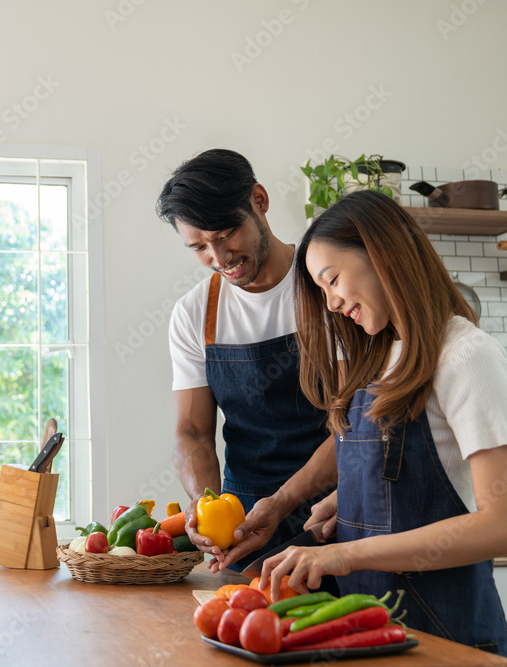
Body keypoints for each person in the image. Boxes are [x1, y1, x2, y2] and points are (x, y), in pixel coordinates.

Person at [260, 189, 507, 659]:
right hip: (371, 633)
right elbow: (410, 475)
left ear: (381, 253)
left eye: (333, 280)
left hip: (445, 638)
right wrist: (348, 503)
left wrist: (345, 553)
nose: (329, 304)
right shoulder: (384, 358)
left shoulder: (466, 355)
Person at [157, 149, 338, 573]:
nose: (219, 259)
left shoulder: (327, 286)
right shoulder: (195, 314)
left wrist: (285, 500)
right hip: (244, 526)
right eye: (199, 247)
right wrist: (204, 503)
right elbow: (193, 432)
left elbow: (357, 422)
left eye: (224, 235)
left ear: (259, 200)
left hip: (337, 507)